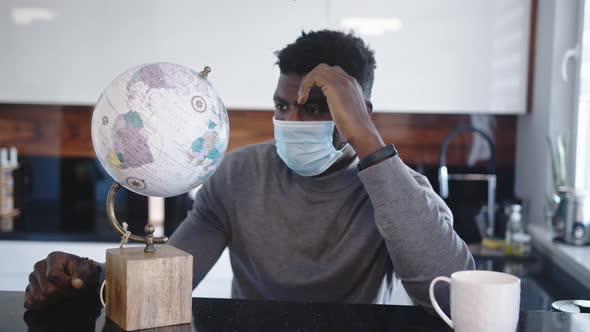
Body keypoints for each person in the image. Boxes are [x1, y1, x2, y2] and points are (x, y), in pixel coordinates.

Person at [24, 30, 474, 310]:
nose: (291, 123)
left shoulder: (395, 188)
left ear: (359, 112)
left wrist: (368, 142)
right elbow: (173, 276)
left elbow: (454, 298)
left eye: (316, 108)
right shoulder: (237, 175)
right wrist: (89, 281)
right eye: (283, 106)